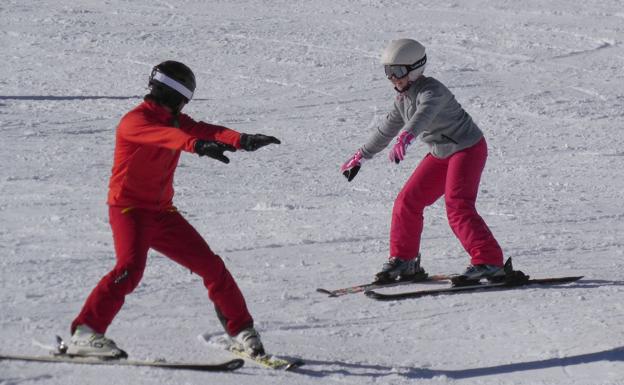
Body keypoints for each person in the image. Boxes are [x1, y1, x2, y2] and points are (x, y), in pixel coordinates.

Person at [68, 60, 280, 359]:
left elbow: (206, 129)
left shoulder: (176, 120)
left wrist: (241, 140)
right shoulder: (136, 122)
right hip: (129, 210)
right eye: (183, 100)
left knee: (212, 267)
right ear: (175, 96)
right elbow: (169, 138)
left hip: (162, 212)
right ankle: (85, 332)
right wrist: (196, 146)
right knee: (129, 270)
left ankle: (242, 331)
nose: (183, 107)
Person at [340, 39, 504, 284]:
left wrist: (407, 137)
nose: (392, 78)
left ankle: (489, 261)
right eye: (388, 72)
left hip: (467, 148)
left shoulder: (432, 91)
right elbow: (385, 130)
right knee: (407, 201)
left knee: (458, 204)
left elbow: (423, 115)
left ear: (415, 68)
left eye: (397, 71)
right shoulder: (403, 99)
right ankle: (405, 261)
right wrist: (362, 155)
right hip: (441, 153)